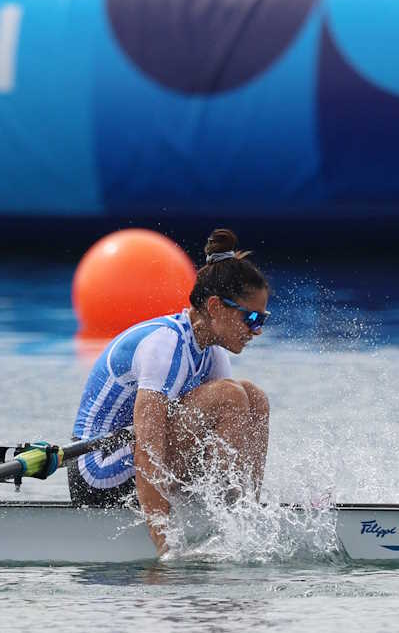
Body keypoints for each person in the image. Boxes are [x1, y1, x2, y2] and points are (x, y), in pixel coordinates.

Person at [67, 228, 271, 554]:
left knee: (255, 399)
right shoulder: (164, 345)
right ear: (216, 307)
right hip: (96, 472)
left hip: (134, 463)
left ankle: (244, 516)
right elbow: (147, 451)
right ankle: (224, 514)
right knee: (231, 396)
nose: (256, 331)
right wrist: (165, 550)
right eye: (250, 318)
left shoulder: (212, 351)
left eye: (263, 320)